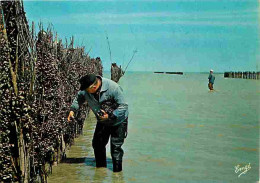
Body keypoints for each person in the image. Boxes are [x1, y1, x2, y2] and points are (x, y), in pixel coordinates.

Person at [67, 74, 128, 172]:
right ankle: (100, 171)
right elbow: (79, 97)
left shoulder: (113, 87)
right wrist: (72, 110)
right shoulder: (86, 90)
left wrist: (110, 115)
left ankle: (117, 175)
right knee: (97, 144)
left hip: (119, 120)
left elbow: (124, 106)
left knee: (116, 149)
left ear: (94, 87)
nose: (86, 92)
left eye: (87, 90)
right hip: (102, 121)